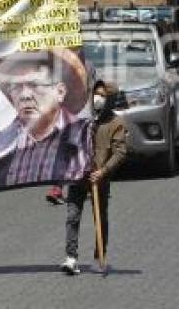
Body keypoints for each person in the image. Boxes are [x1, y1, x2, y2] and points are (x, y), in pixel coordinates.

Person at [0, 49, 91, 189]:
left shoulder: (84, 136)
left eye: (34, 85)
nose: (25, 95)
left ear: (60, 92)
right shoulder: (1, 143)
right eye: (16, 87)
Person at [62, 81, 128, 275]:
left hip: (99, 179)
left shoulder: (116, 123)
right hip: (78, 175)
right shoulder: (83, 117)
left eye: (102, 95)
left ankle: (99, 256)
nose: (97, 98)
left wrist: (103, 171)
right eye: (95, 94)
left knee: (100, 218)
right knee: (72, 216)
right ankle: (70, 257)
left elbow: (120, 152)